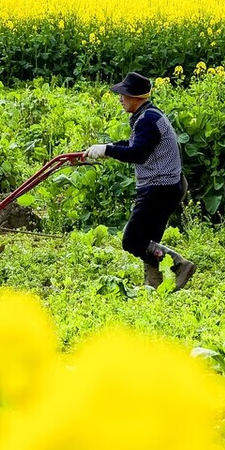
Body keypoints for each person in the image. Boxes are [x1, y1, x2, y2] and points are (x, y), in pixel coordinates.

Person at [84, 72, 196, 290]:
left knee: (133, 240)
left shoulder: (148, 120)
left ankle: (179, 264)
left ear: (136, 97)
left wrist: (108, 149)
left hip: (159, 188)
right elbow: (135, 144)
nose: (120, 99)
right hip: (167, 187)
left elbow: (138, 153)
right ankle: (153, 285)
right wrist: (108, 149)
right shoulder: (147, 116)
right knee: (149, 240)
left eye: (123, 95)